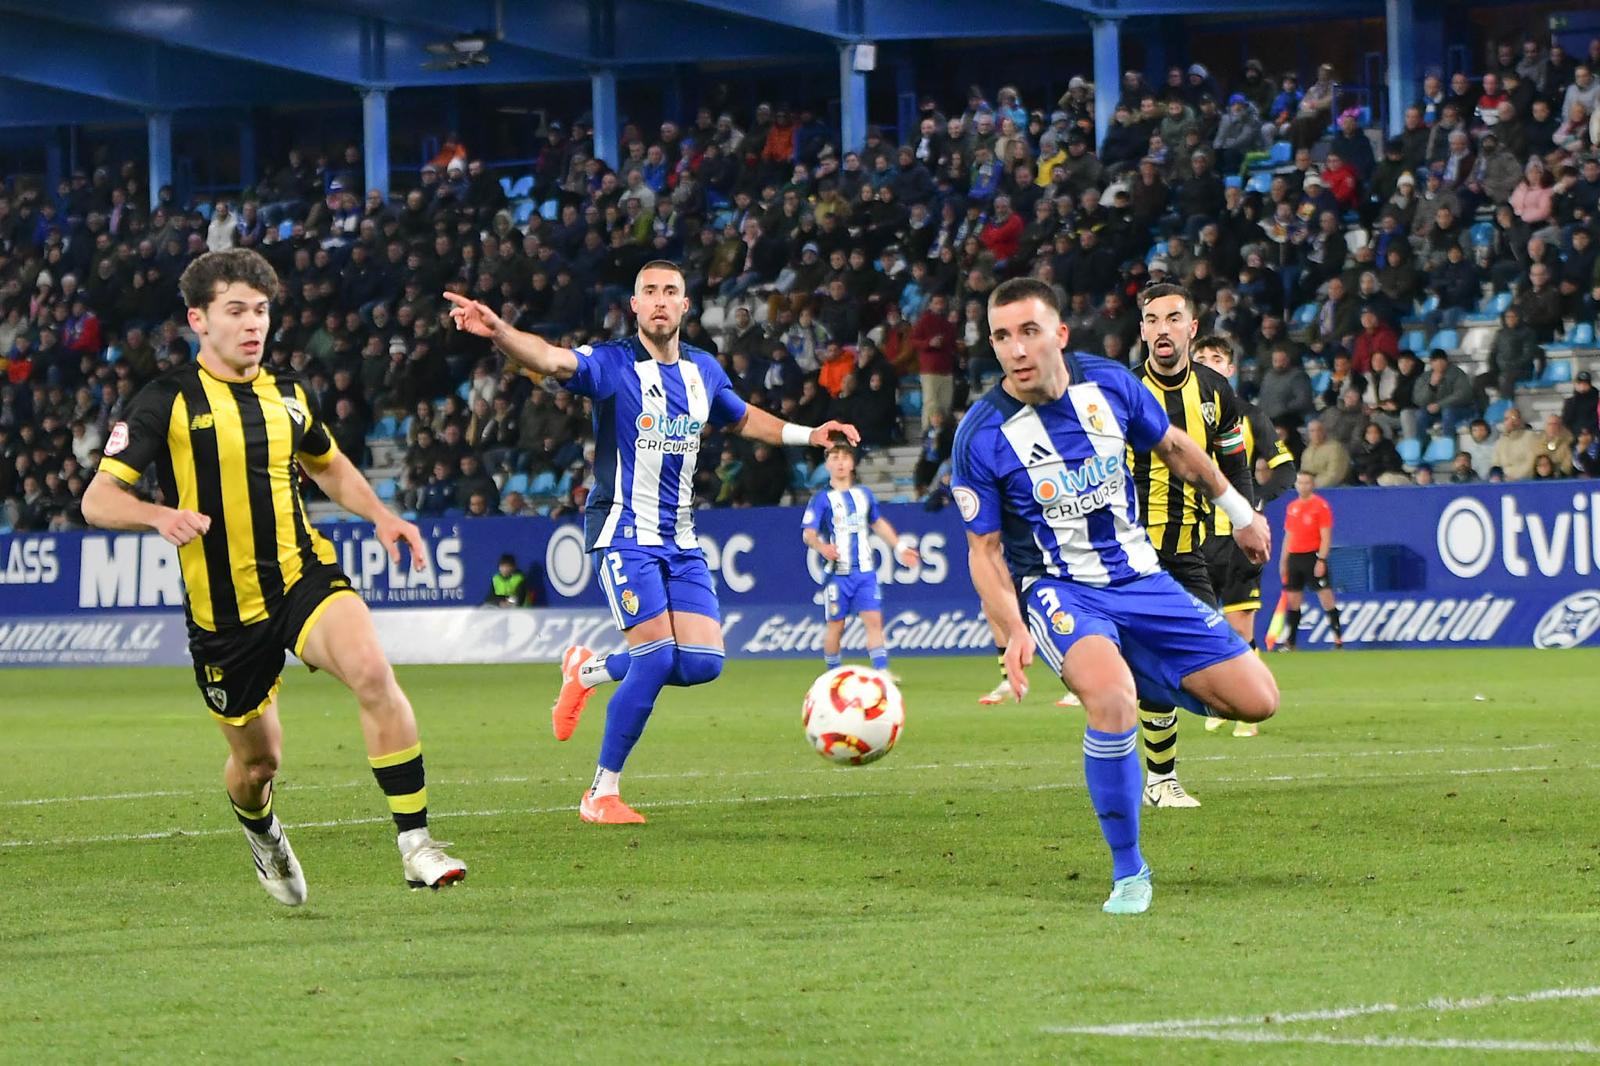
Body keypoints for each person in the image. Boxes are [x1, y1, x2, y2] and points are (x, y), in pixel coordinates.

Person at [80, 249, 466, 906]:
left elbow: (329, 463)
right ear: (199, 319)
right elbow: (97, 500)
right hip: (225, 615)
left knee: (372, 672)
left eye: (260, 310)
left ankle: (417, 844)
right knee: (259, 766)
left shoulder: (288, 395)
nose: (252, 324)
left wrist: (382, 515)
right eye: (236, 311)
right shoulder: (165, 400)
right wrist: (158, 515)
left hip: (301, 575)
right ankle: (262, 833)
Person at [445, 263, 858, 824]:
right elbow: (551, 358)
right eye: (649, 293)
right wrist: (499, 332)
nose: (660, 301)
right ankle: (600, 793)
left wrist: (809, 435)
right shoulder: (612, 364)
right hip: (623, 534)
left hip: (680, 539)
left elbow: (741, 420)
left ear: (685, 306)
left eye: (670, 292)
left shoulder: (704, 372)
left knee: (703, 663)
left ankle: (586, 671)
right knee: (656, 655)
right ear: (634, 307)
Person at [951, 277, 1277, 915]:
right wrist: (1013, 628)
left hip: (1143, 579)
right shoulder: (981, 434)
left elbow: (1179, 449)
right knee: (1111, 699)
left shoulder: (1109, 385)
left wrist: (1240, 511)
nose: (1015, 348)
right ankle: (1130, 872)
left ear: (1060, 336)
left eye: (1029, 331)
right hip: (1061, 589)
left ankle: (1137, 674)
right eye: (1001, 335)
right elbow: (984, 552)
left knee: (1258, 700)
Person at [1128, 286, 1255, 809]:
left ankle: (1158, 763)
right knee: (1146, 664)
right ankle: (1160, 779)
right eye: (1152, 319)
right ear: (1142, 331)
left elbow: (1235, 462)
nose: (1162, 328)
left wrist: (1247, 520)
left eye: (1172, 318)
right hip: (1129, 555)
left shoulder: (1216, 392)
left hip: (1188, 552)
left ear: (1191, 328)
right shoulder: (1121, 392)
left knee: (1212, 667)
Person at [1192, 337, 1296, 739]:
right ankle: (1219, 701)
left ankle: (1246, 709)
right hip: (1193, 537)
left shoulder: (1250, 417)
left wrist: (1253, 504)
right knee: (1204, 628)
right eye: (1200, 358)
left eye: (1216, 358)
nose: (1207, 364)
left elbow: (1285, 469)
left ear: (1230, 369)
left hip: (1238, 538)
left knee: (1239, 626)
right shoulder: (1178, 415)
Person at [801, 441, 919, 674]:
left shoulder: (864, 494)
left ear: (852, 463)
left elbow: (878, 523)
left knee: (874, 620)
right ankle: (833, 673)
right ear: (827, 464)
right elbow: (808, 534)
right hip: (838, 574)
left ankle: (881, 672)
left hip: (865, 572)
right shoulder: (821, 499)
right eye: (834, 458)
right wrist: (823, 548)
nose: (840, 463)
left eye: (845, 457)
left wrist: (900, 547)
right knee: (836, 626)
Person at [1278, 471, 1341, 651]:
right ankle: (1291, 642)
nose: (1302, 486)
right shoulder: (1292, 507)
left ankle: (1337, 638)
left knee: (1326, 597)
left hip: (1312, 556)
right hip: (1295, 558)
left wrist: (1321, 559)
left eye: (1306, 483)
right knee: (1293, 600)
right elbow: (1288, 536)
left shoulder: (1320, 506)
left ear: (1312, 485)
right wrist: (1283, 560)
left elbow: (1326, 536)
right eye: (1300, 482)